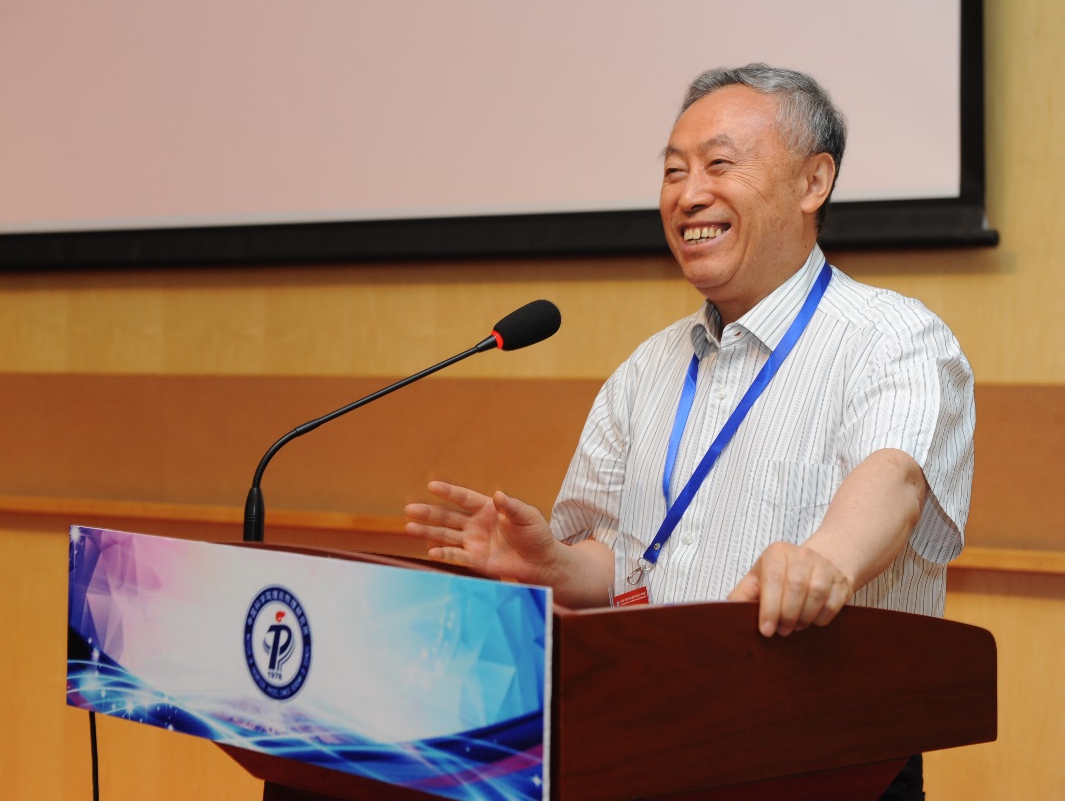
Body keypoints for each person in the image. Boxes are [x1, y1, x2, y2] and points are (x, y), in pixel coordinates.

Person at [405, 64, 973, 799]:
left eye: (719, 164)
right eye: (673, 171)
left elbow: (893, 479)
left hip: (826, 762)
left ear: (813, 182)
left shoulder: (892, 337)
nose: (688, 194)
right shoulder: (647, 369)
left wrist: (823, 562)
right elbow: (625, 563)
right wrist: (556, 569)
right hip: (660, 746)